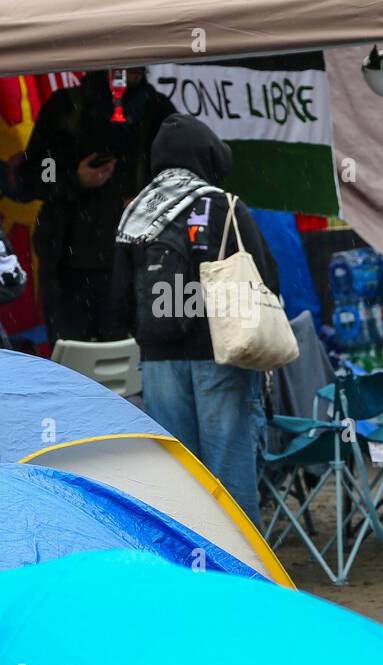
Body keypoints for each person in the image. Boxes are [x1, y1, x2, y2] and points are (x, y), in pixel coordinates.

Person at [110, 114, 278, 526]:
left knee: (179, 479)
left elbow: (117, 301)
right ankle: (239, 577)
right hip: (222, 356)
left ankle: (188, 576)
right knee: (229, 474)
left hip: (159, 361)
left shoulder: (136, 214)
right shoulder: (223, 205)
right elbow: (267, 279)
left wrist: (154, 334)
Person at [19, 69, 175, 343]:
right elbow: (36, 175)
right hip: (68, 269)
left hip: (134, 263)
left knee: (128, 366)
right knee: (74, 367)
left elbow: (179, 181)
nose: (131, 71)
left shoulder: (158, 112)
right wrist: (74, 179)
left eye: (139, 63)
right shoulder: (65, 108)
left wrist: (147, 202)